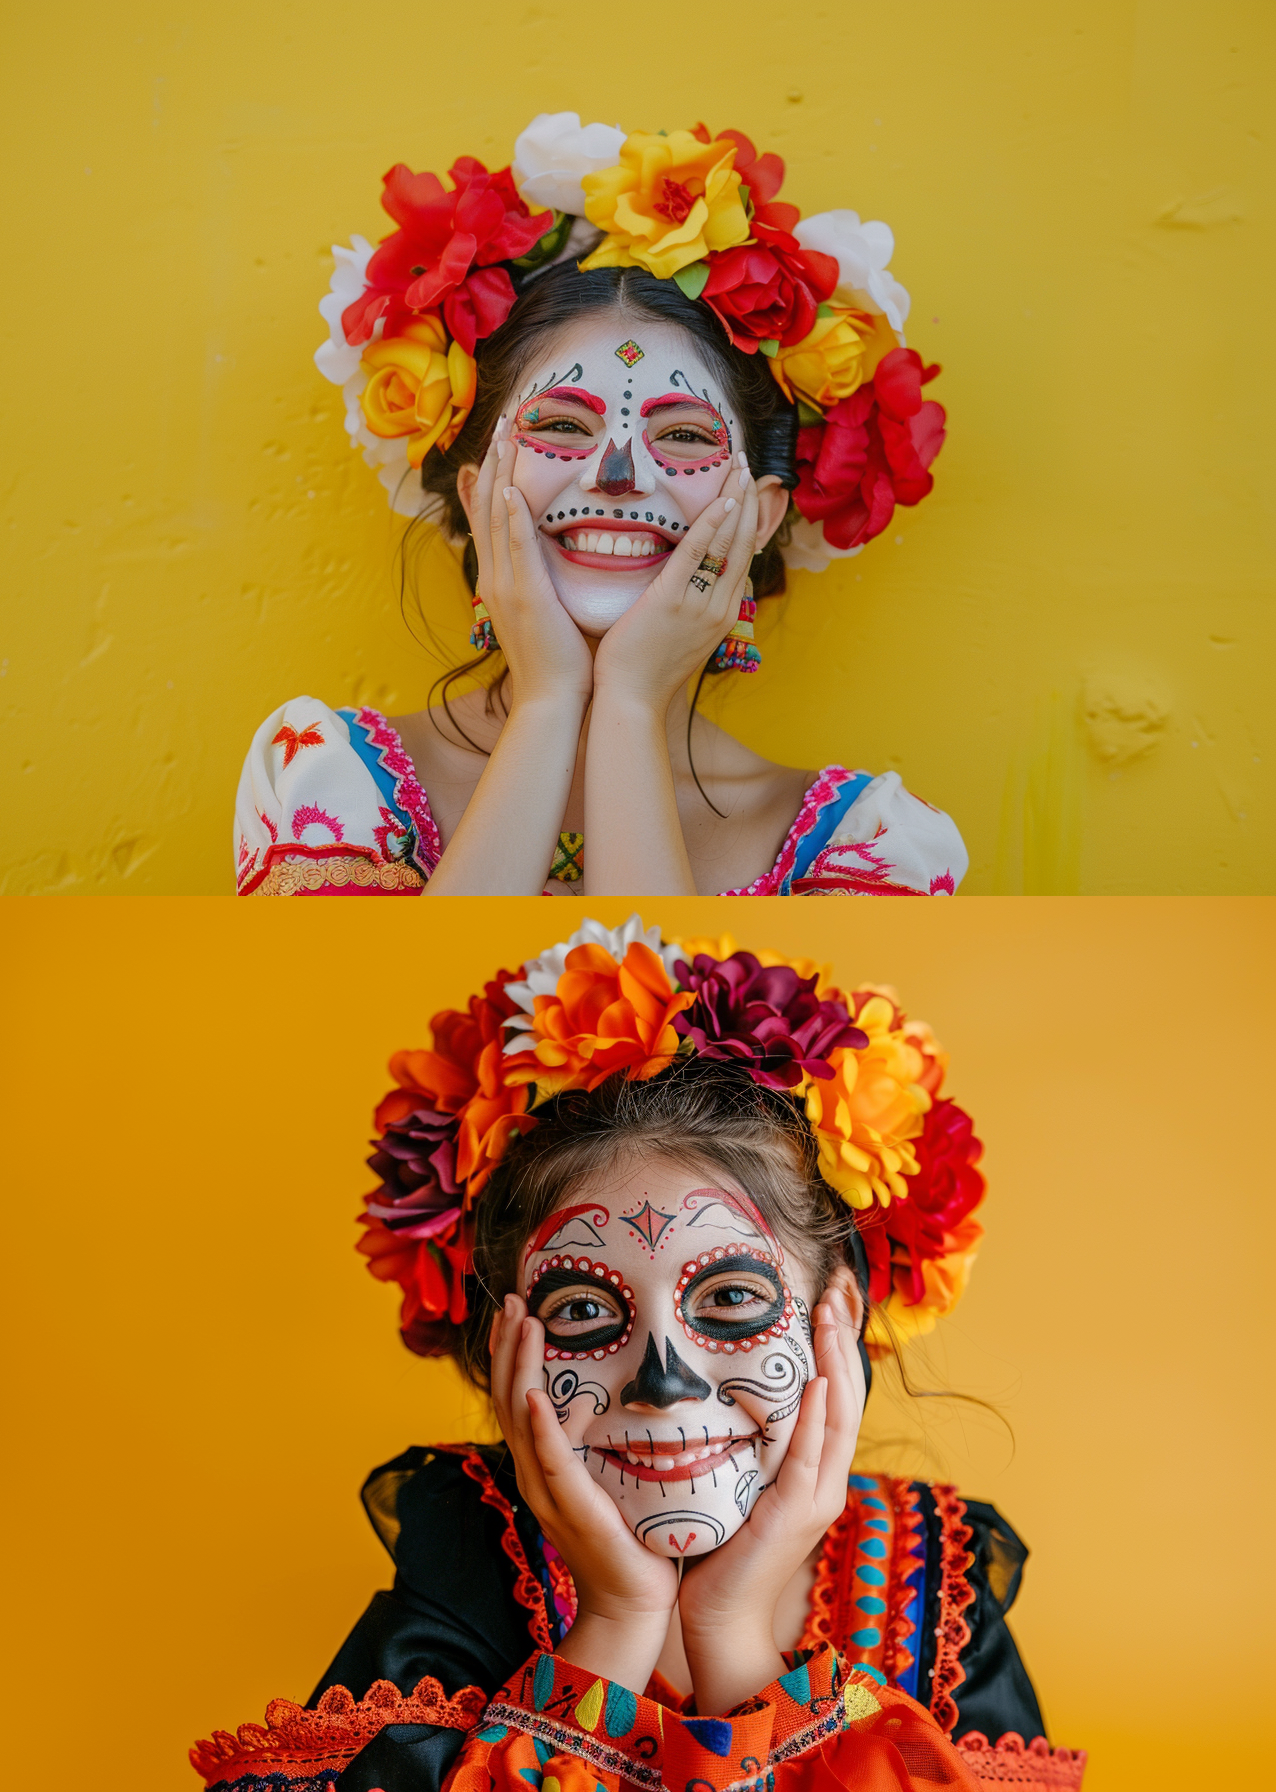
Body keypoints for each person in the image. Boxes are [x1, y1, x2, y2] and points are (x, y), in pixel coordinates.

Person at [186, 920, 1084, 1790]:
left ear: (834, 1318)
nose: (664, 1381)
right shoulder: (464, 1553)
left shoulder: (939, 1589)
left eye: (731, 1298)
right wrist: (617, 1621)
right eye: (581, 1307)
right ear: (504, 1345)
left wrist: (731, 1634)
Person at [235, 115, 960, 896]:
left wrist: (630, 704)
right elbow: (408, 1018)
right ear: (476, 493)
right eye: (561, 425)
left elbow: (657, 1021)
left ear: (762, 513)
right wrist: (548, 702)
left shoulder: (866, 849)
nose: (618, 475)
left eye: (682, 435)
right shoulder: (321, 782)